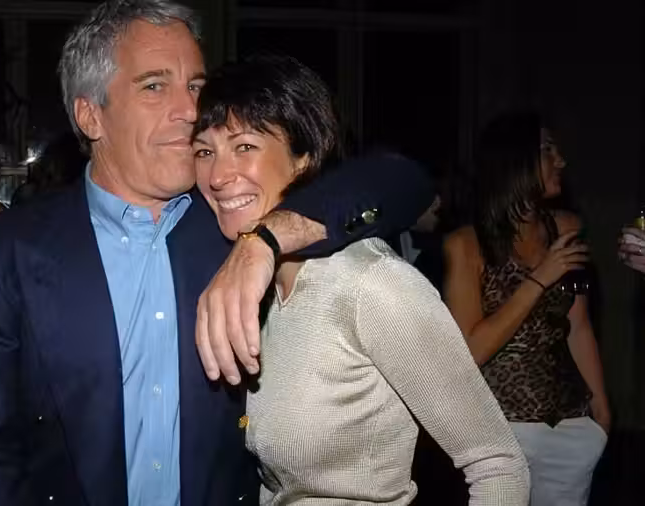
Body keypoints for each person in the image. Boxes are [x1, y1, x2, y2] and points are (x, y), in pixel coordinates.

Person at [0, 1, 432, 505]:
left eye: (196, 86)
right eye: (155, 86)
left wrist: (266, 241)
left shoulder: (236, 219)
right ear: (91, 115)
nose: (191, 111)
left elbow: (403, 181)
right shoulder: (2, 256)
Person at [192, 54, 529, 505]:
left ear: (303, 157)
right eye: (204, 152)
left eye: (244, 146)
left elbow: (499, 467)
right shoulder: (257, 288)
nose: (217, 176)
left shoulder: (369, 284)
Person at [443, 111, 609, 505]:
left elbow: (578, 326)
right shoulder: (466, 245)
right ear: (513, 160)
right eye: (548, 149)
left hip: (572, 427)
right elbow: (470, 351)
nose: (561, 161)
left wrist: (602, 413)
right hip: (498, 431)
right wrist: (539, 279)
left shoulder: (566, 228)